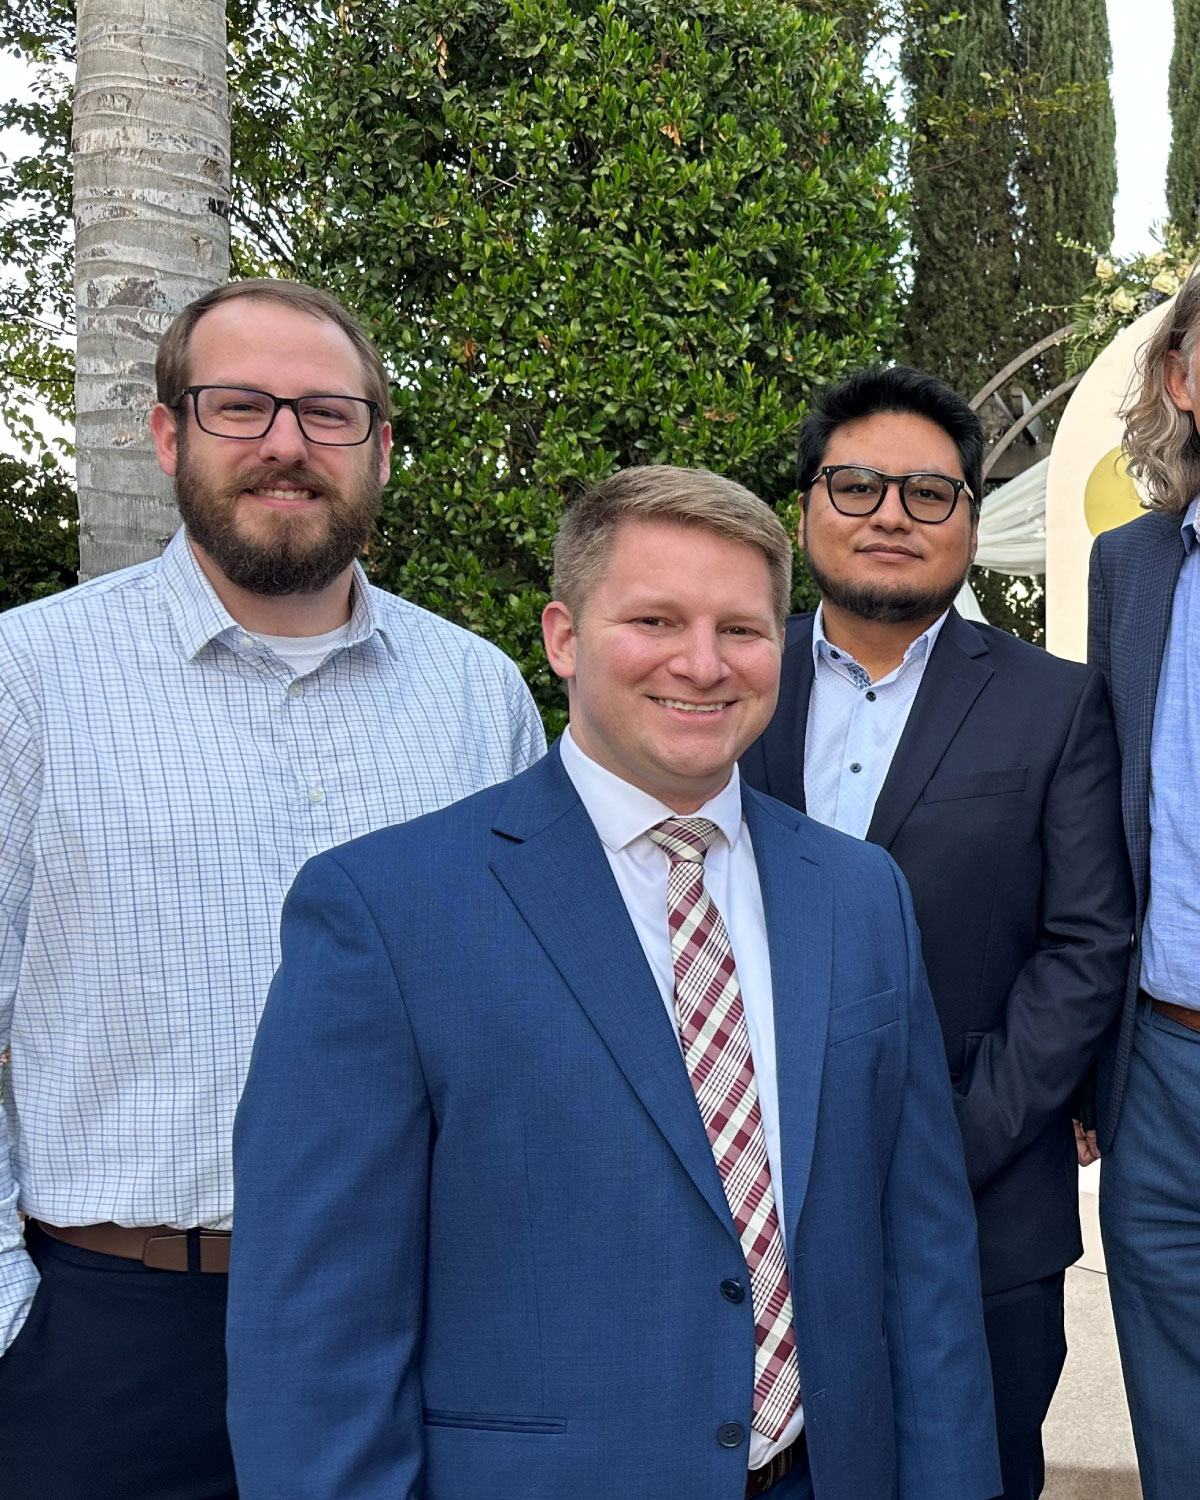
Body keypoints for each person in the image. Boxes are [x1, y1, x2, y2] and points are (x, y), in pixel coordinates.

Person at [226, 464, 1001, 1500]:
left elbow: (926, 1257)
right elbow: (318, 1327)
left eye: (741, 628)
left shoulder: (861, 895)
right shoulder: (385, 911)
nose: (703, 662)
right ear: (563, 638)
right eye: (654, 619)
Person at [0, 278, 545, 1499]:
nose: (287, 445)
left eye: (327, 415)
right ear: (167, 434)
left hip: (418, 1327)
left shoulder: (476, 694)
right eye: (240, 407)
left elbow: (528, 1013)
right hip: (115, 1342)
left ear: (382, 450)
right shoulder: (25, 679)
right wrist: (15, 1326)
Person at [741, 366, 1132, 1500]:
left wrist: (943, 1146)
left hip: (981, 1198)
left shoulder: (1054, 702)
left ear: (966, 517)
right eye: (858, 486)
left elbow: (1085, 945)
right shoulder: (727, 675)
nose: (892, 516)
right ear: (807, 504)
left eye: (930, 493)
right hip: (743, 1191)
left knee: (975, 1472)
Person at [1088, 272, 1200, 1500]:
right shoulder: (1133, 570)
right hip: (1161, 1068)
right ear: (1180, 377)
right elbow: (1110, 819)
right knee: (1177, 1427)